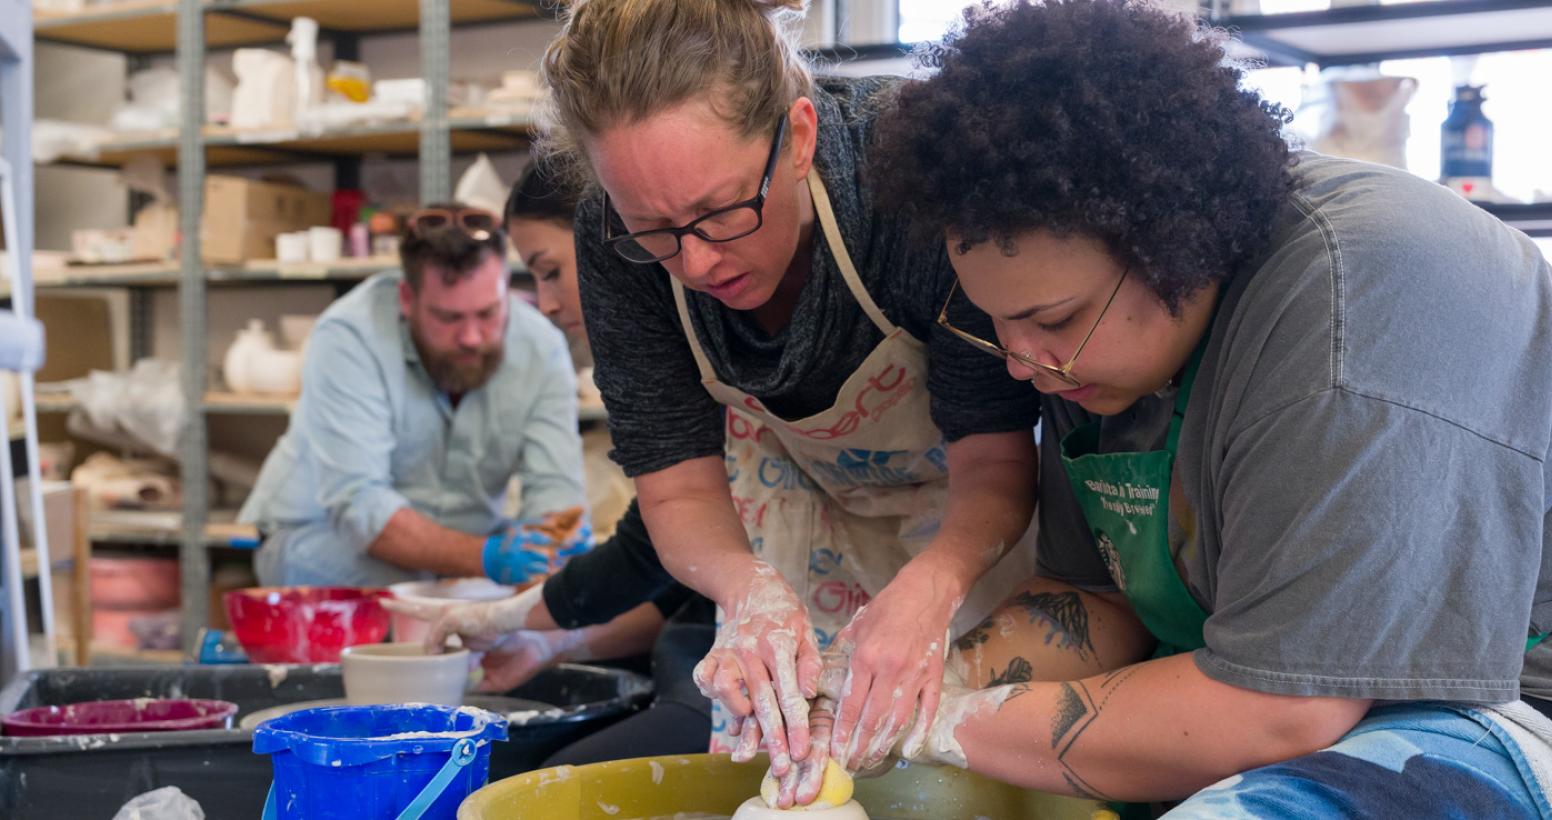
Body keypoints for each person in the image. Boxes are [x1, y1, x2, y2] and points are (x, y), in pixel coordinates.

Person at [842, 1, 1552, 816]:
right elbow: (1095, 601)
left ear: (1172, 238)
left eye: (1052, 319)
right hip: (1348, 707)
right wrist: (898, 689)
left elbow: (1285, 710)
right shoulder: (1093, 358)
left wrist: (944, 727)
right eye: (1000, 324)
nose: (1023, 361)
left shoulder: (1359, 297)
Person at [413, 0, 1041, 790]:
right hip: (796, 517)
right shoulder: (614, 246)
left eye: (721, 212)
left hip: (970, 520)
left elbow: (996, 462)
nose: (700, 262)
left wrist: (936, 583)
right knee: (793, 767)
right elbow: (676, 494)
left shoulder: (907, 187)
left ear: (800, 136)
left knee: (948, 767)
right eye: (655, 228)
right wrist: (748, 591)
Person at [440, 156, 714, 763]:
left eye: (550, 272)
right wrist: (549, 644)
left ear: (607, 232)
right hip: (696, 646)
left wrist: (520, 614)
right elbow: (673, 581)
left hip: (750, 663)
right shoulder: (659, 353)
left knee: (552, 783)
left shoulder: (710, 344)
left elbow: (650, 557)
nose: (544, 303)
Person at [239, 204, 588, 588]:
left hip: (465, 549)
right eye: (449, 318)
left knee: (552, 603)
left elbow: (556, 492)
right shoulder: (350, 336)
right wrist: (485, 558)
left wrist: (553, 545)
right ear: (407, 298)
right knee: (422, 600)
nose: (471, 337)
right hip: (321, 537)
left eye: (488, 313)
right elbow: (360, 507)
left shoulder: (542, 347)